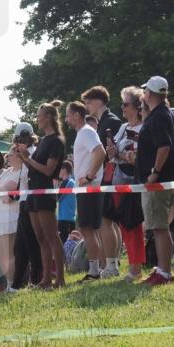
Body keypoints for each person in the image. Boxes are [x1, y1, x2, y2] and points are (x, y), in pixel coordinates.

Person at [130, 76, 174, 286]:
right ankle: (162, 269)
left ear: (149, 93)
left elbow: (164, 146)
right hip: (163, 180)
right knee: (159, 226)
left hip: (159, 181)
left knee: (159, 227)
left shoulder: (159, 116)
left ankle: (165, 273)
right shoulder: (161, 114)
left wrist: (154, 172)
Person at [18, 101, 66, 288]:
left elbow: (48, 170)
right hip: (33, 193)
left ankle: (60, 278)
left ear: (48, 118)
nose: (37, 119)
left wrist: (28, 159)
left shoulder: (56, 141)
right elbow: (35, 168)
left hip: (45, 193)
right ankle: (46, 279)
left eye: (39, 116)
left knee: (52, 236)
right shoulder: (44, 140)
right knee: (41, 238)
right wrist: (24, 157)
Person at [105, 87, 147, 281]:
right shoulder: (123, 128)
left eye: (126, 104)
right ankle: (133, 265)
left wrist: (120, 155)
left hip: (135, 183)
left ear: (138, 107)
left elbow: (137, 158)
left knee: (133, 225)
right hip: (119, 181)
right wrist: (114, 151)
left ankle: (136, 268)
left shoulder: (145, 127)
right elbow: (119, 155)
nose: (122, 107)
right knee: (125, 226)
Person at [82, 86, 123, 277]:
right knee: (110, 222)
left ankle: (111, 264)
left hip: (111, 176)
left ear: (99, 101)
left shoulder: (111, 121)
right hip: (107, 177)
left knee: (108, 222)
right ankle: (113, 263)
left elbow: (111, 153)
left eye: (88, 102)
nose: (87, 106)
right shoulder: (104, 122)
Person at [66, 100, 106, 281]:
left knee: (87, 229)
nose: (66, 119)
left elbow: (100, 152)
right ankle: (98, 268)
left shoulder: (86, 133)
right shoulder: (83, 133)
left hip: (89, 189)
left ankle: (94, 270)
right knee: (90, 230)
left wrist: (89, 176)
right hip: (86, 189)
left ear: (76, 115)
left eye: (68, 114)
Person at [0, 143, 24, 289]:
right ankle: (7, 283)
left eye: (11, 155)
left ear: (18, 157)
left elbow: (8, 188)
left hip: (9, 216)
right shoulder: (7, 171)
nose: (8, 157)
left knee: (8, 253)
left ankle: (11, 284)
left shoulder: (19, 171)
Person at [11, 123, 42, 289]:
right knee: (20, 247)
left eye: (22, 138)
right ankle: (17, 284)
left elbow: (34, 172)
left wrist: (24, 157)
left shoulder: (34, 152)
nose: (19, 142)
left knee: (31, 244)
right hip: (23, 201)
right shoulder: (23, 154)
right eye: (17, 139)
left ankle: (36, 280)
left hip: (31, 201)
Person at [56, 161, 77, 242]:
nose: (58, 171)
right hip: (68, 217)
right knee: (69, 243)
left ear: (64, 170)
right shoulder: (71, 182)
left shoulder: (67, 182)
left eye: (59, 169)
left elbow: (58, 197)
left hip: (65, 218)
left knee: (64, 243)